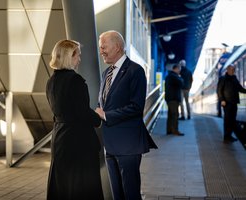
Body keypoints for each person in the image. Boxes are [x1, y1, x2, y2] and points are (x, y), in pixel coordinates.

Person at [95, 30, 157, 200]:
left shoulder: (135, 71)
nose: (101, 50)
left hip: (128, 144)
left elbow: (136, 107)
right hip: (110, 143)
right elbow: (103, 104)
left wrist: (106, 115)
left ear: (117, 47)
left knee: (130, 194)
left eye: (104, 46)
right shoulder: (106, 73)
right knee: (117, 194)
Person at [46, 39, 104, 200]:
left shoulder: (51, 82)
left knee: (63, 185)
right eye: (78, 55)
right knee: (81, 187)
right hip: (78, 142)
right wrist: (98, 116)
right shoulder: (76, 81)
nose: (80, 59)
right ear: (68, 57)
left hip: (59, 139)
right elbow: (83, 113)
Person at [217, 64, 246, 143]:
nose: (233, 71)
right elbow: (219, 90)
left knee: (232, 120)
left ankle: (229, 136)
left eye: (234, 69)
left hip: (234, 102)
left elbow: (240, 88)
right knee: (228, 120)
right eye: (232, 69)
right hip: (227, 103)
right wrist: (222, 100)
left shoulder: (234, 78)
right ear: (228, 70)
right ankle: (226, 137)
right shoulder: (223, 79)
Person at [165, 64, 184, 136]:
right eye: (179, 70)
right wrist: (180, 77)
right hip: (174, 99)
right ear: (176, 69)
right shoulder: (174, 76)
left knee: (170, 115)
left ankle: (169, 130)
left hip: (170, 98)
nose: (179, 71)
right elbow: (181, 83)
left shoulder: (169, 76)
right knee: (175, 115)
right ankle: (175, 131)